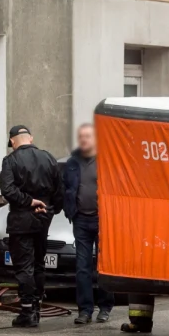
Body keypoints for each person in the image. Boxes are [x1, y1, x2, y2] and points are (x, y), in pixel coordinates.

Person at [0, 124, 63, 328]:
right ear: (31, 138)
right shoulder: (49, 158)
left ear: (12, 142)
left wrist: (28, 202)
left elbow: (7, 190)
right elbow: (59, 189)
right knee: (38, 263)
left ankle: (27, 310)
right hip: (43, 217)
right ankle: (36, 307)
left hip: (21, 219)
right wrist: (50, 209)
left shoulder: (11, 161)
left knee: (24, 265)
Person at [63, 123, 114, 325]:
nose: (84, 140)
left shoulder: (107, 161)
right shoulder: (73, 162)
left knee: (103, 266)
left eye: (88, 136)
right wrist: (69, 210)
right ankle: (85, 310)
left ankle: (105, 307)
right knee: (82, 267)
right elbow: (66, 187)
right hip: (81, 220)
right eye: (81, 136)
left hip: (103, 220)